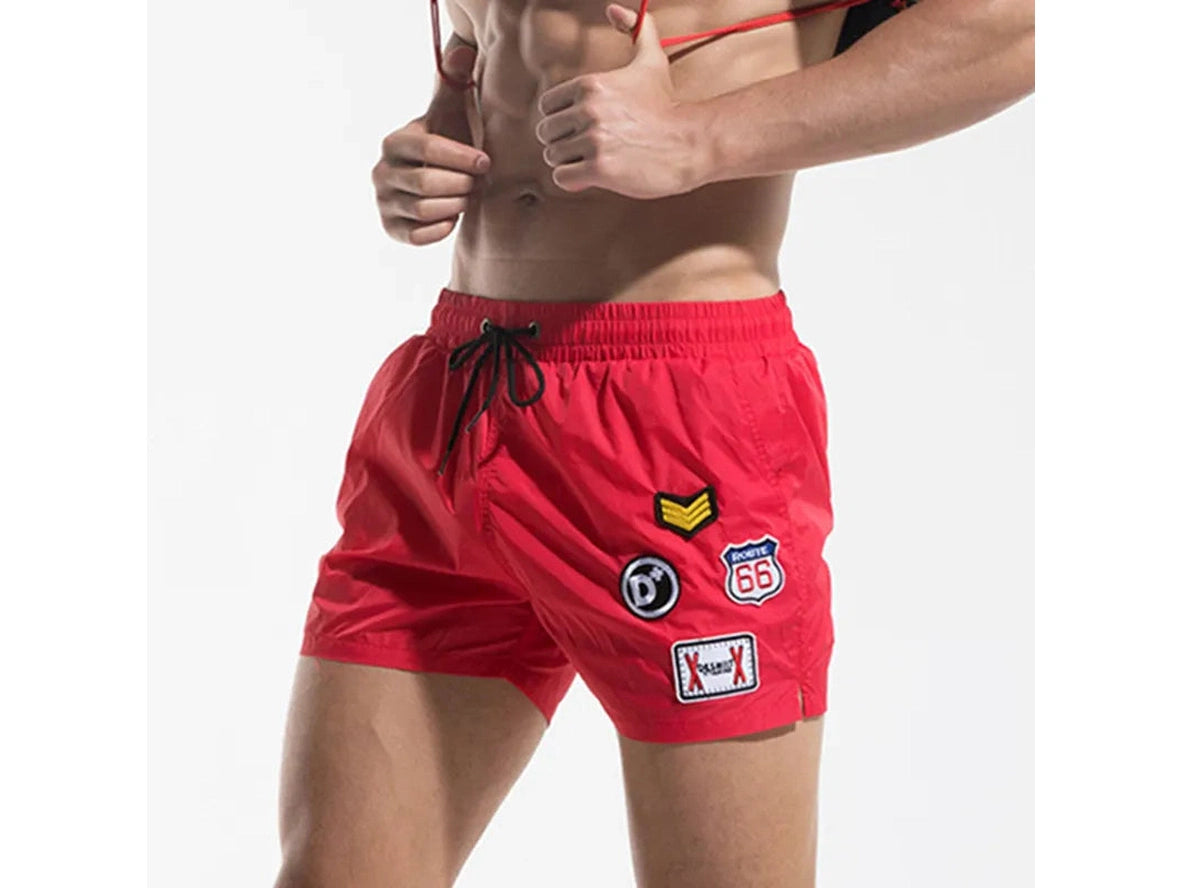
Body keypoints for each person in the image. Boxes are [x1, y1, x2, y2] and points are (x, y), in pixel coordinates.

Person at [275, 1, 1034, 885]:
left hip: (676, 425)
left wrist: (697, 140)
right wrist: (441, 136)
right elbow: (489, 35)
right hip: (456, 397)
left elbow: (1021, 26)